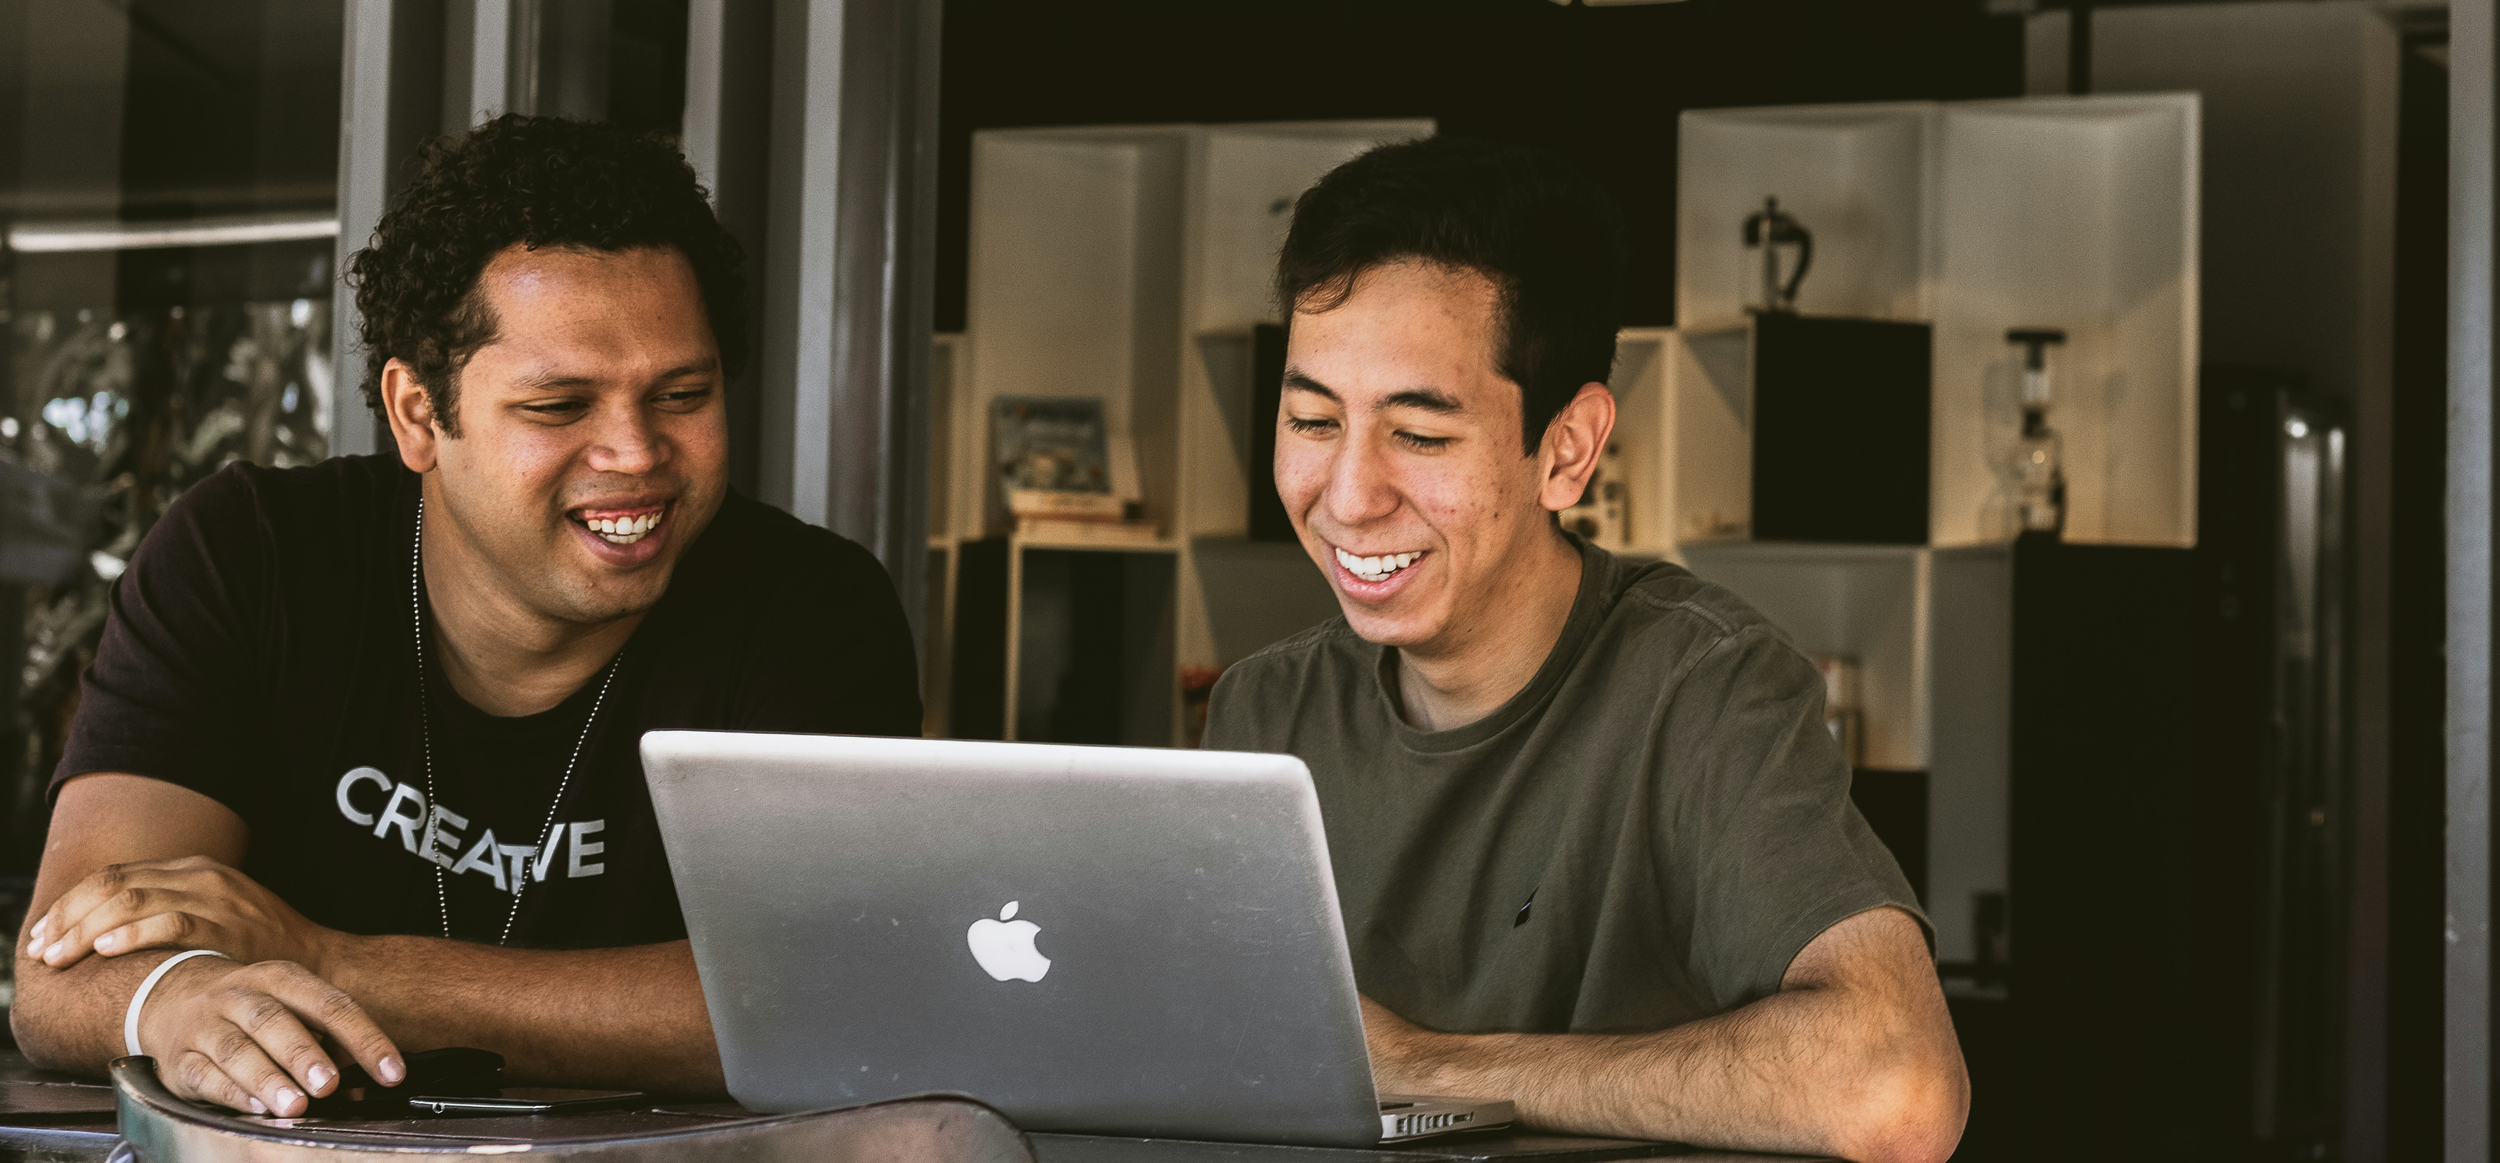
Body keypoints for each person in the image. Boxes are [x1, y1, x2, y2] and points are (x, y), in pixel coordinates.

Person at [9, 115, 921, 1117]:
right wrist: (169, 997)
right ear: (416, 415)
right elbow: (64, 970)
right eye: (558, 406)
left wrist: (328, 961)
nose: (635, 451)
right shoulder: (254, 554)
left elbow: (817, 1001)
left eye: (682, 393)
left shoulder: (810, 610)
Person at [1201, 136, 1968, 1163]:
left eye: (1419, 436)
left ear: (1566, 449)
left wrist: (1433, 1066)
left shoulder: (1707, 687)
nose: (1347, 496)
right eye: (1310, 418)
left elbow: (1897, 1085)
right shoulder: (1264, 707)